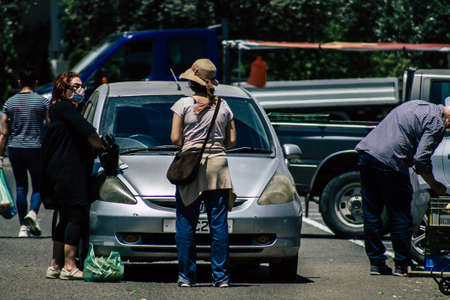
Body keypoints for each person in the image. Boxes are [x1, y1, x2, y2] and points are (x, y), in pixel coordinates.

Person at [355, 100, 450, 277]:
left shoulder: (418, 104)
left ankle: (376, 263)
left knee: (372, 212)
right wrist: (436, 186)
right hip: (391, 162)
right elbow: (420, 160)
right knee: (400, 214)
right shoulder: (437, 123)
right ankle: (401, 264)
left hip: (367, 154)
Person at [170, 58, 236, 288]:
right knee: (218, 225)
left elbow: (176, 139)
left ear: (192, 81)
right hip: (218, 166)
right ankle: (221, 278)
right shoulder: (224, 106)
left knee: (186, 223)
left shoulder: (183, 105)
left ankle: (186, 277)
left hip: (191, 166)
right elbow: (231, 140)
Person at [41, 72, 105, 280]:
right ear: (64, 88)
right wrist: (103, 146)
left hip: (58, 171)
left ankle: (55, 264)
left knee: (65, 217)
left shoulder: (57, 109)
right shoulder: (65, 108)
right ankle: (70, 265)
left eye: (81, 85)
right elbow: (87, 131)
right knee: (76, 215)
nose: (81, 90)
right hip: (69, 171)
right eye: (75, 86)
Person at [0, 67, 50, 237]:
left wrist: (0, 154)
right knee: (39, 185)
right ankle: (33, 212)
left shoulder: (10, 103)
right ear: (36, 83)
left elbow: (4, 131)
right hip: (36, 147)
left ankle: (23, 227)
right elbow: (50, 126)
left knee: (21, 186)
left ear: (19, 82)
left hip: (15, 148)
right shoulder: (42, 102)